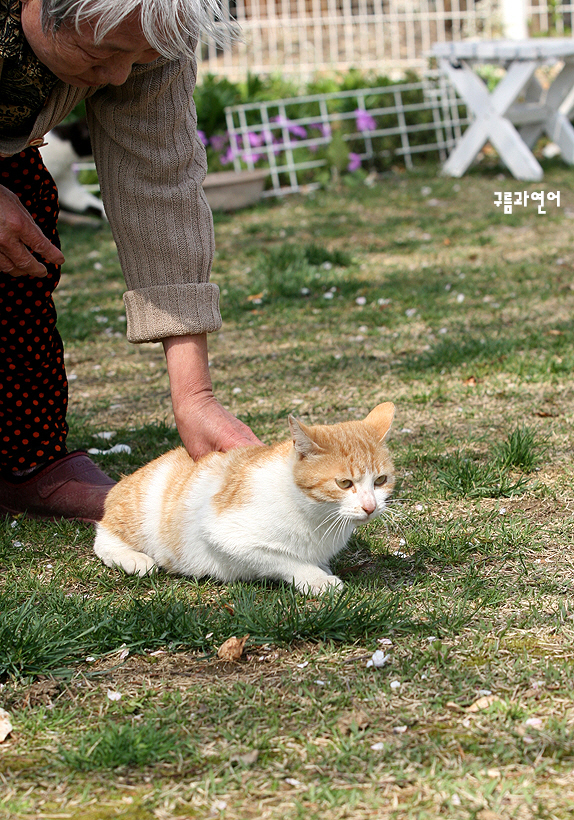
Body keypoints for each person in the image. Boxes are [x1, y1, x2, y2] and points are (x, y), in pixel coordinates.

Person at [0, 0, 261, 523]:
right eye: (103, 53)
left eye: (136, 58)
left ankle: (24, 458)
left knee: (21, 235)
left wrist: (195, 396)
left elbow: (158, 182)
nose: (119, 75)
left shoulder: (152, 28)